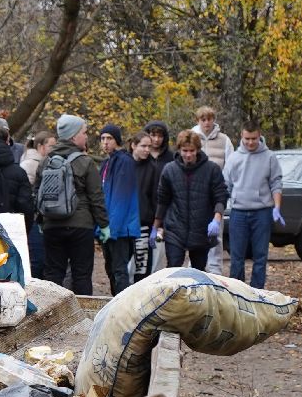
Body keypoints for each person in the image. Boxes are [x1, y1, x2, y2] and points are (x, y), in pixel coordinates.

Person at [34, 113, 107, 294]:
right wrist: (104, 225)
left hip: (52, 226)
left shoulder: (45, 162)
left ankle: (54, 316)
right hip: (80, 227)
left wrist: (41, 220)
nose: (86, 136)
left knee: (53, 274)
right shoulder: (85, 162)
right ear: (74, 136)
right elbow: (96, 197)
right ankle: (83, 316)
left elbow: (36, 194)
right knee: (81, 274)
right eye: (84, 132)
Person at [154, 129, 227, 271]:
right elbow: (163, 200)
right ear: (179, 150)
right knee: (173, 269)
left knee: (198, 271)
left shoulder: (211, 169)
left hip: (201, 228)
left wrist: (217, 219)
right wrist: (156, 226)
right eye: (185, 150)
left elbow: (220, 195)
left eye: (192, 151)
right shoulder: (169, 170)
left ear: (198, 150)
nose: (188, 155)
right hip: (175, 228)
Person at [222, 123, 284, 289]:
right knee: (236, 256)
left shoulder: (269, 157)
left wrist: (276, 207)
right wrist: (218, 211)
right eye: (247, 139)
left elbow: (276, 183)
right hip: (238, 213)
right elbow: (225, 186)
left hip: (262, 212)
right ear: (242, 137)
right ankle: (236, 290)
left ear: (260, 137)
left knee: (260, 255)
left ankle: (257, 291)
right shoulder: (234, 158)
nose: (250, 142)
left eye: (254, 139)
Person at [97, 124, 141, 294]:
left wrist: (112, 229)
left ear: (117, 141)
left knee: (119, 270)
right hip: (109, 226)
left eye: (109, 138)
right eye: (102, 139)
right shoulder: (106, 163)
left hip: (121, 229)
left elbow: (120, 199)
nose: (105, 142)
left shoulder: (124, 162)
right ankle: (114, 302)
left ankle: (121, 305)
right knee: (111, 269)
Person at [193, 107, 234, 271]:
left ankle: (216, 269)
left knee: (215, 234)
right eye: (203, 120)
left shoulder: (224, 140)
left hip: (216, 193)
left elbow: (230, 166)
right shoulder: (191, 137)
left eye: (209, 119)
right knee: (196, 233)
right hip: (195, 193)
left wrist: (223, 187)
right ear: (198, 121)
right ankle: (195, 268)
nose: (206, 123)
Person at [131, 131, 164, 282]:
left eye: (149, 147)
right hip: (125, 223)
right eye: (143, 146)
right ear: (133, 146)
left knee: (141, 266)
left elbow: (156, 198)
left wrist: (157, 224)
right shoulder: (125, 165)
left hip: (144, 223)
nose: (146, 150)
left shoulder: (153, 168)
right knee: (123, 266)